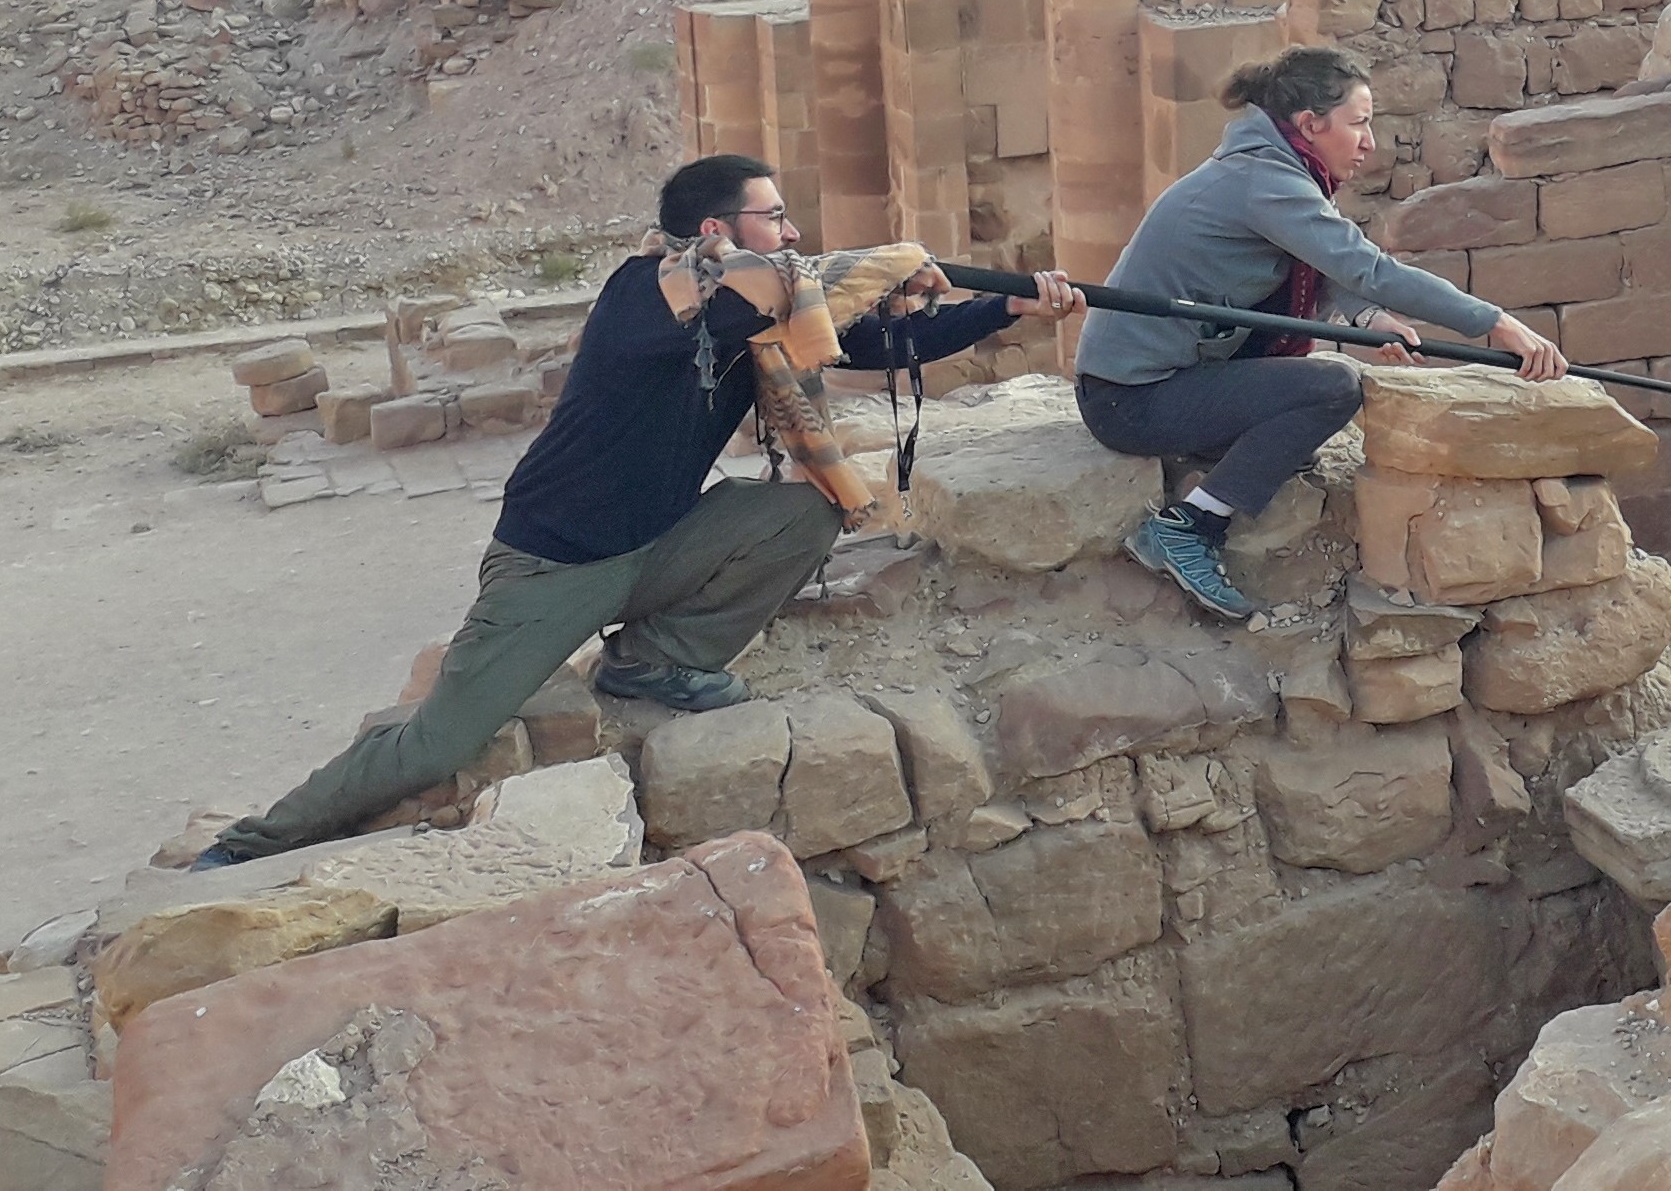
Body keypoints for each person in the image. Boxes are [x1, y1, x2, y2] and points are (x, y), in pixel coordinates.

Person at [191, 153, 1074, 866]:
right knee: (436, 746)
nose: (793, 232)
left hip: (655, 546)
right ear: (717, 232)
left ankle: (656, 661)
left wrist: (1006, 303)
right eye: (774, 217)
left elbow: (879, 340)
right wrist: (879, 264)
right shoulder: (639, 294)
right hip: (556, 567)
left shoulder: (763, 319)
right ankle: (250, 845)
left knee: (805, 514)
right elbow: (780, 287)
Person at [1080, 44, 1565, 619]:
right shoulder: (1266, 181)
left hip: (1152, 380)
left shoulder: (1266, 167)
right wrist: (1496, 323)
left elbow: (1315, 264)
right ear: (1310, 125)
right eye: (1358, 124)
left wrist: (1366, 318)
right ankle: (1190, 525)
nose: (1370, 143)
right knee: (1331, 390)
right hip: (1130, 399)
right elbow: (1368, 268)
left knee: (1301, 420)